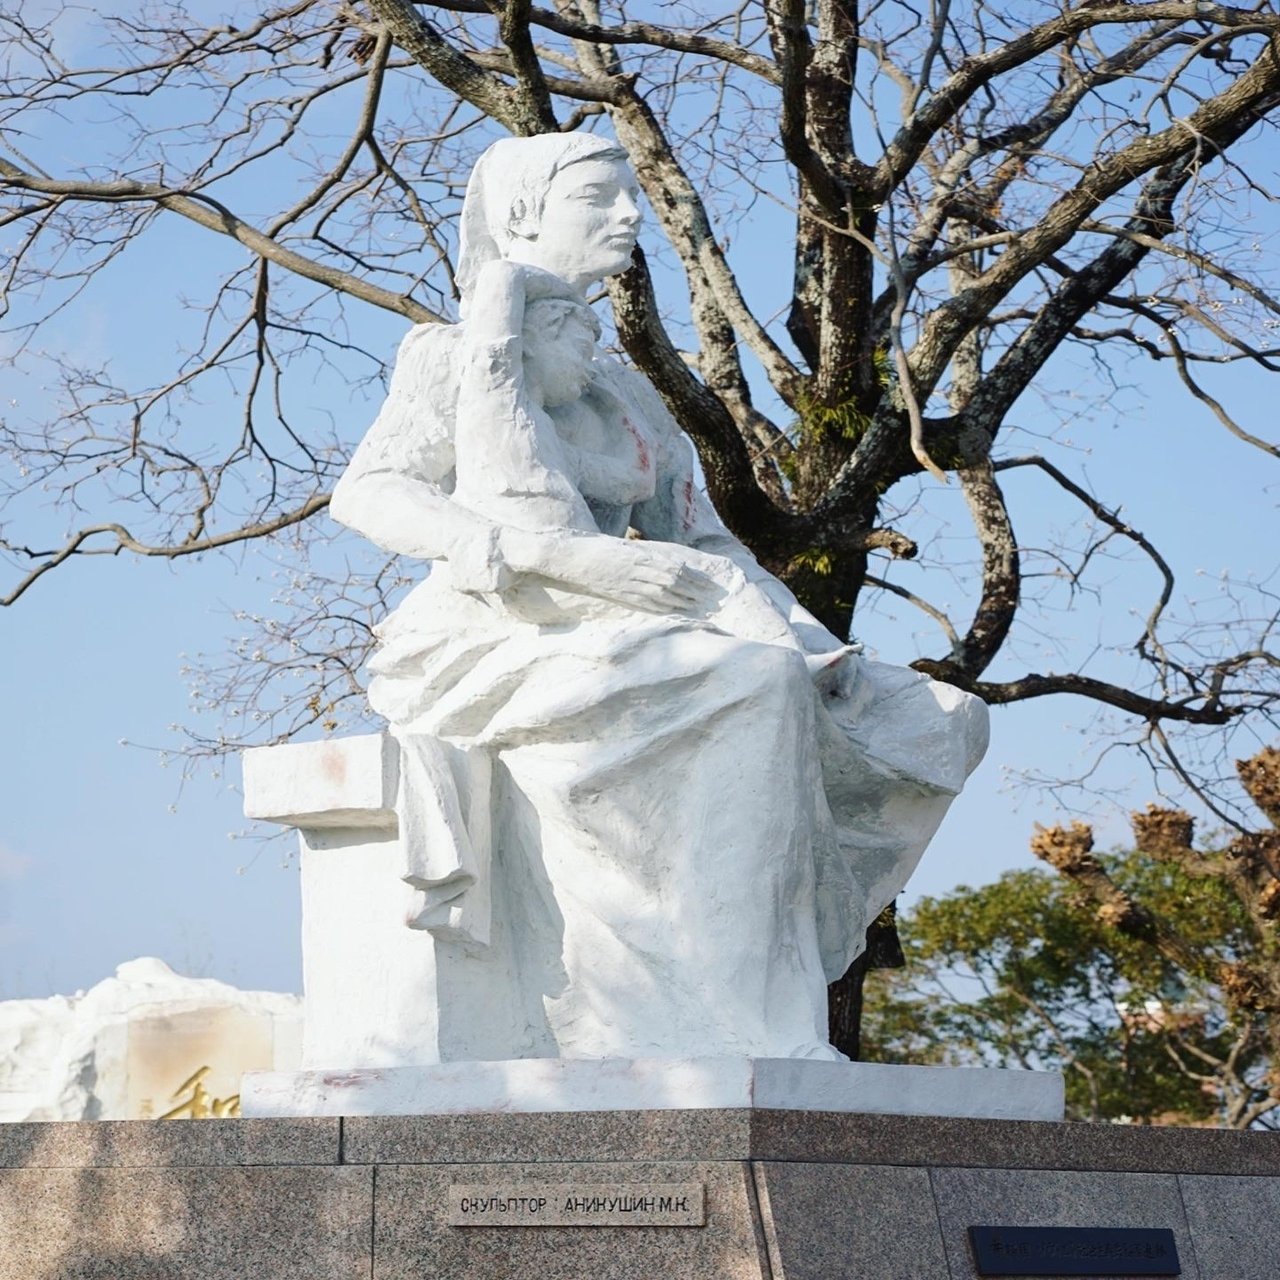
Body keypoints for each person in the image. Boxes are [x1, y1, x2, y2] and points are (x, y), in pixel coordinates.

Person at [328, 132, 988, 1063]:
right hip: (498, 634)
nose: (630, 216)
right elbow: (370, 492)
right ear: (522, 216)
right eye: (600, 199)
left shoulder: (629, 392)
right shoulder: (451, 354)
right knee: (748, 687)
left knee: (939, 717)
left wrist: (811, 641)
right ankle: (739, 1023)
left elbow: (709, 544)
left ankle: (770, 976)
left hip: (644, 626)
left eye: (630, 197)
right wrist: (530, 555)